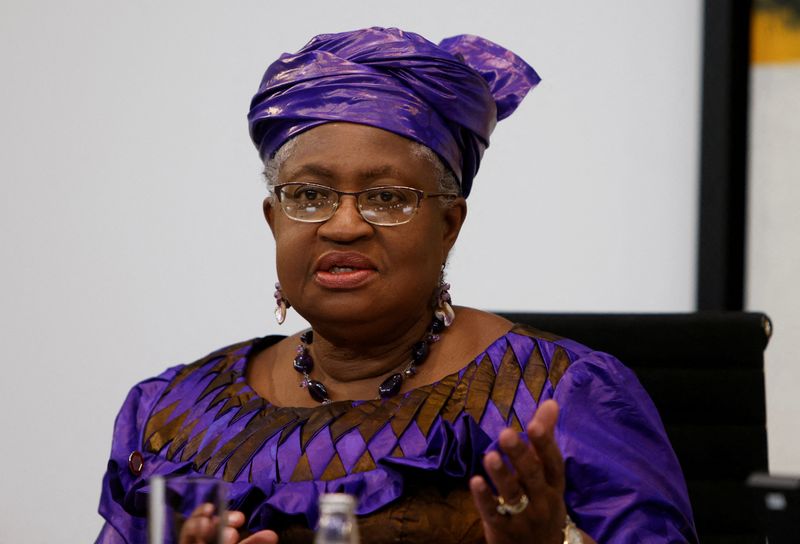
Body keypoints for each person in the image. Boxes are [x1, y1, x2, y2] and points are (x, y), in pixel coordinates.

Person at [96, 27, 697, 544]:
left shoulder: (553, 398)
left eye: (386, 198)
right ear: (273, 220)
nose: (345, 223)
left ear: (449, 225)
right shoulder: (172, 413)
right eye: (309, 195)